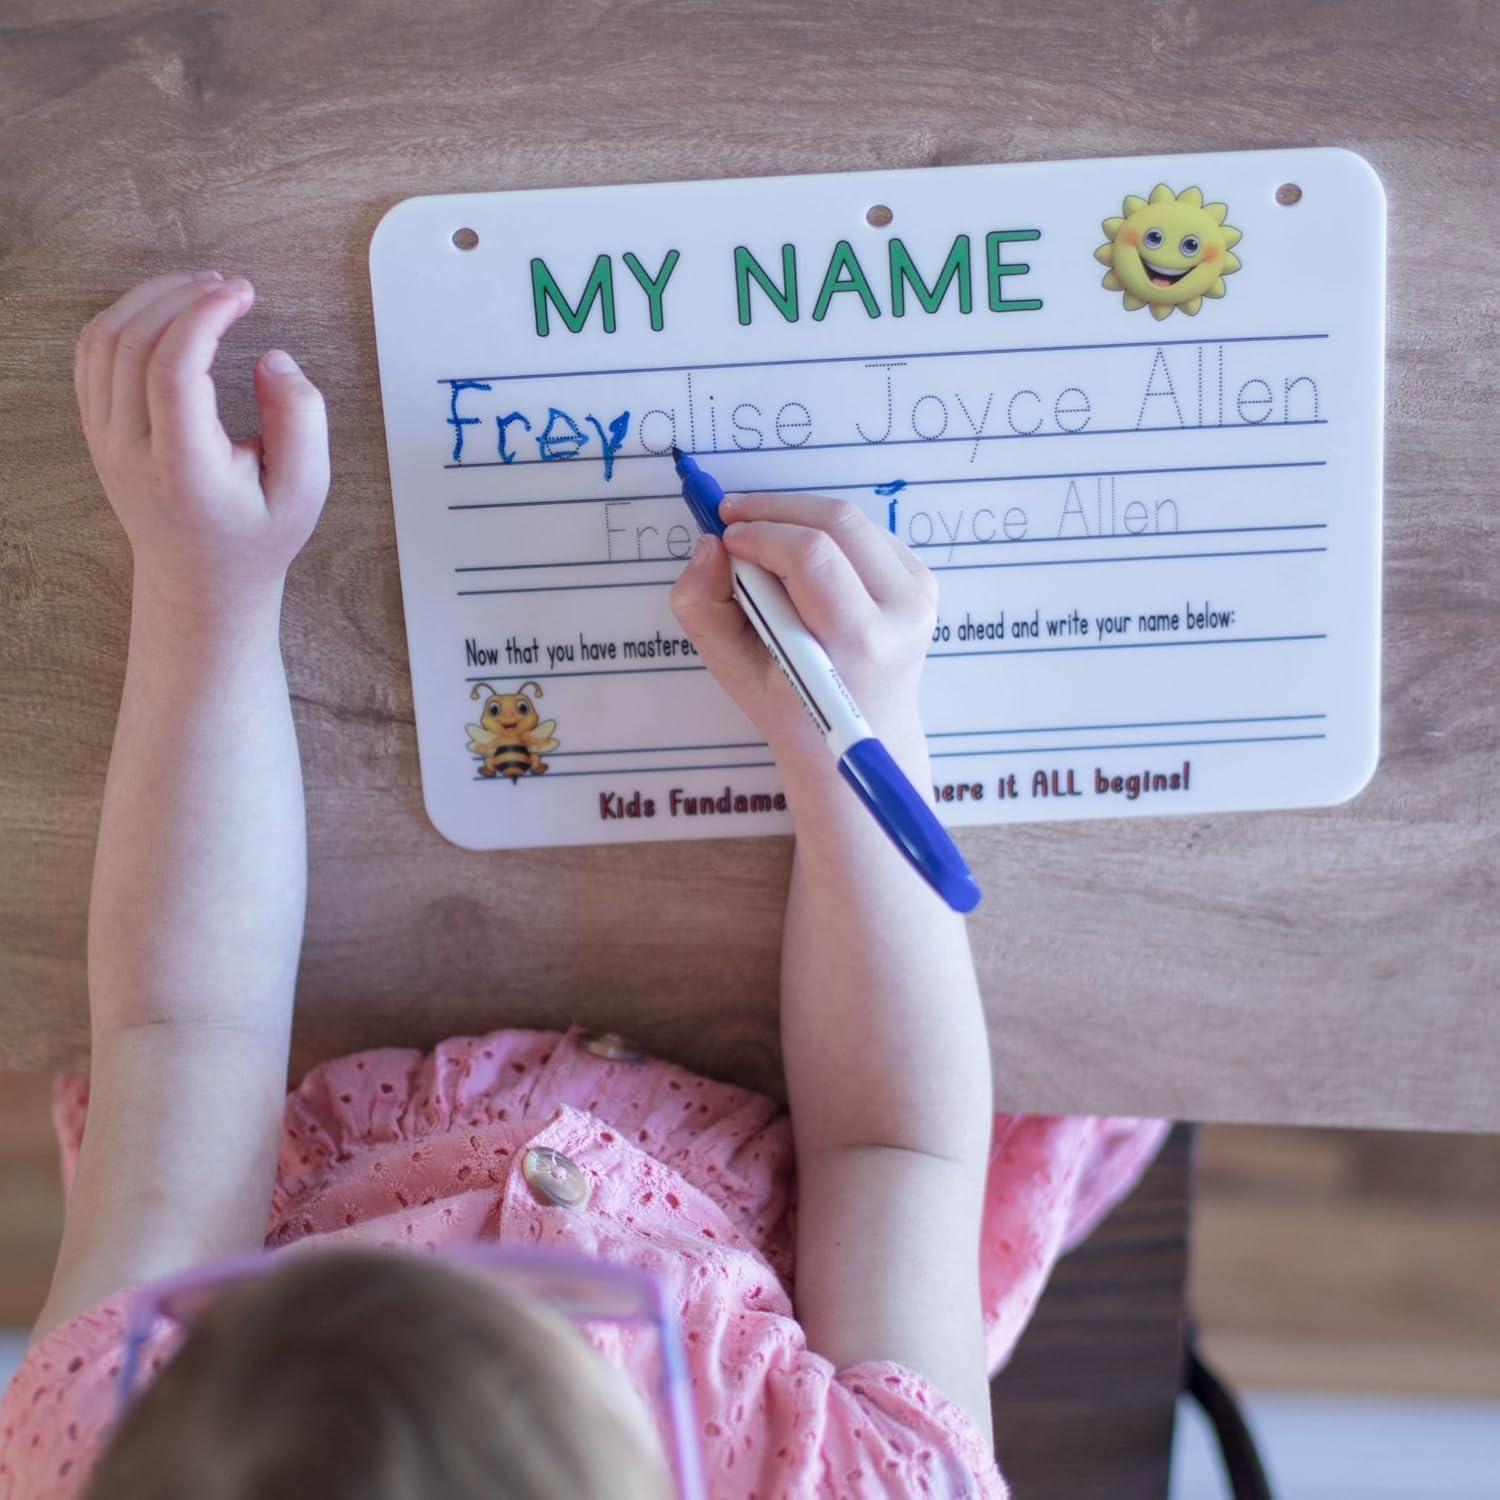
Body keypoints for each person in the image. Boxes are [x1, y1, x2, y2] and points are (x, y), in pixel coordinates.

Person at [0, 271, 1167, 1498]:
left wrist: (203, 586)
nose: (505, 1254)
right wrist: (856, 731)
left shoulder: (112, 1437)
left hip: (292, 1133)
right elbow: (894, 1145)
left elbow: (184, 1035)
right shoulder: (864, 1480)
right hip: (816, 1185)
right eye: (579, 1327)